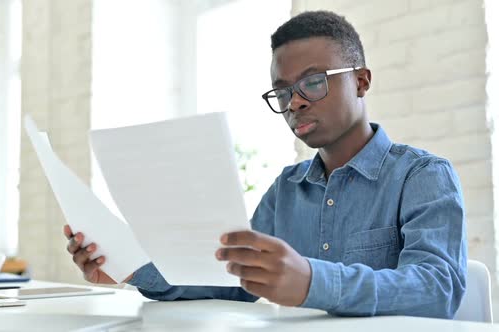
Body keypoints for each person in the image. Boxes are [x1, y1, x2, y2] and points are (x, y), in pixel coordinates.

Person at [64, 10, 466, 318]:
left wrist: (312, 281)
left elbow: (438, 289)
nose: (295, 102)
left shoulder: (422, 176)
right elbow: (234, 279)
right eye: (282, 91)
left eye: (313, 81)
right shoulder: (286, 189)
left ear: (361, 81)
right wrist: (131, 269)